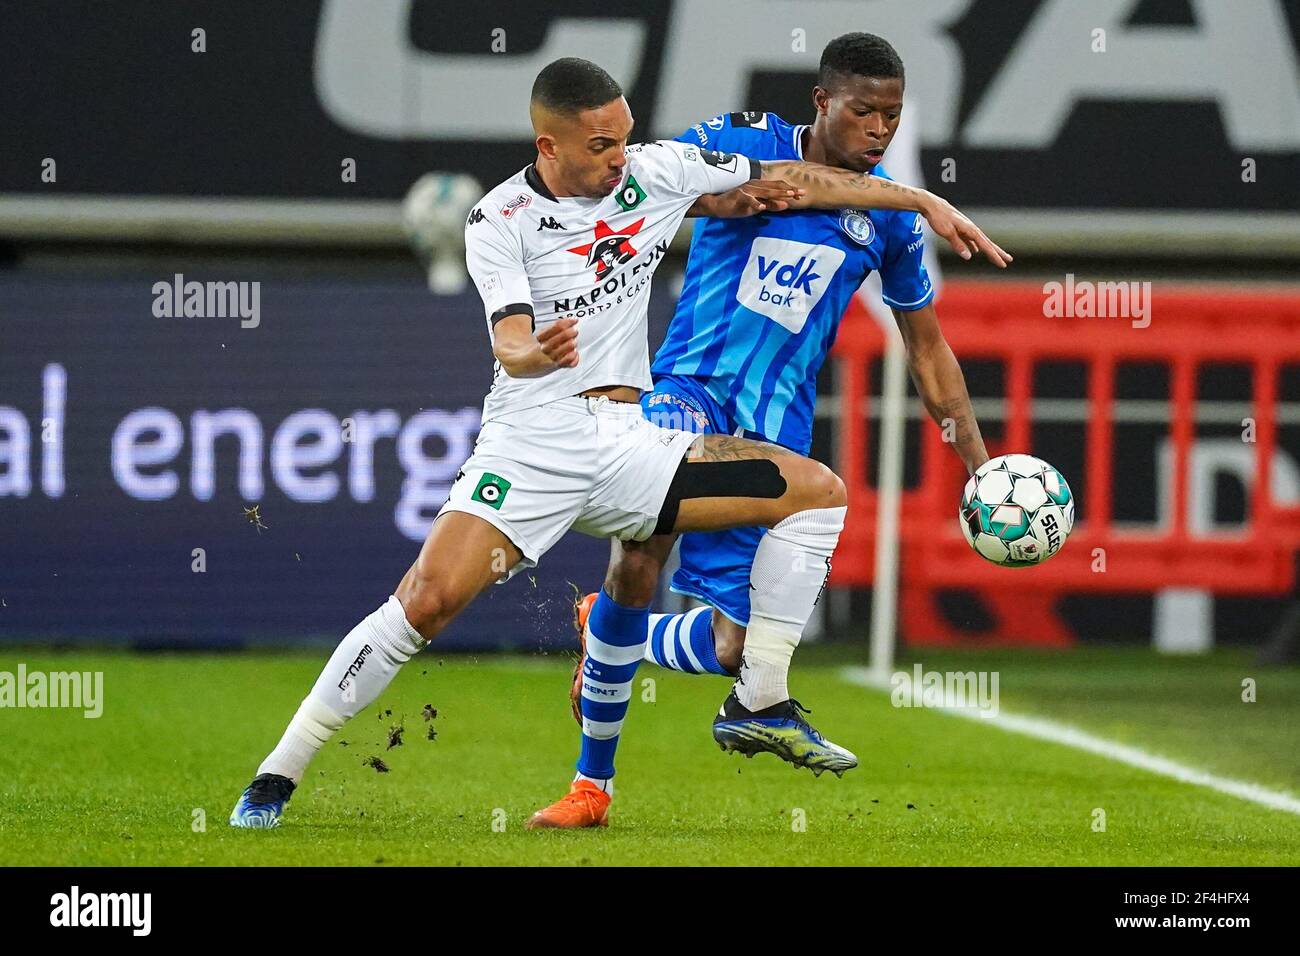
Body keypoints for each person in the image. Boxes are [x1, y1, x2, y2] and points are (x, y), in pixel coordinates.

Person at [229, 56, 1007, 830]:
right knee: (424, 604)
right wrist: (533, 353)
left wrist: (920, 201)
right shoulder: (498, 219)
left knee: (818, 495)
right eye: (601, 146)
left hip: (633, 445)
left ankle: (757, 697)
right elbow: (508, 339)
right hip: (535, 441)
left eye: (624, 138)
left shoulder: (656, 173)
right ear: (549, 147)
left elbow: (796, 181)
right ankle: (276, 775)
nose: (619, 160)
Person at [565, 33, 994, 779]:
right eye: (864, 112)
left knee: (736, 647)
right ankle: (591, 780)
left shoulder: (887, 217)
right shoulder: (737, 141)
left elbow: (927, 351)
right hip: (688, 391)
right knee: (641, 549)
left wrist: (979, 466)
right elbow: (636, 184)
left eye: (891, 116)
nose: (880, 130)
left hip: (775, 427)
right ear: (823, 101)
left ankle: (610, 633)